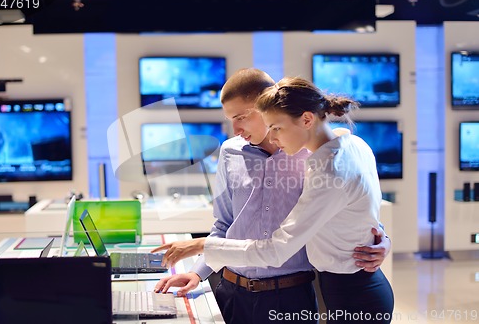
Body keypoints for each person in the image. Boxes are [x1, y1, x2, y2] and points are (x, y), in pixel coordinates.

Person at [154, 71, 392, 324]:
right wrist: (198, 272)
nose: (235, 129)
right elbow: (224, 224)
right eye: (229, 119)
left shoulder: (315, 155)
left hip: (292, 295)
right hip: (233, 291)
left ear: (266, 104)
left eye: (241, 117)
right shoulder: (230, 152)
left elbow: (344, 205)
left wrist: (380, 236)